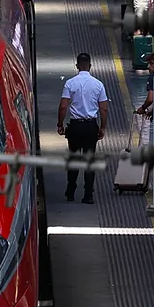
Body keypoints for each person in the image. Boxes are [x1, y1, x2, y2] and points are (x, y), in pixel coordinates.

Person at [57, 52, 108, 204]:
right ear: (90, 66)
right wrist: (102, 127)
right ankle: (88, 195)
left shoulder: (70, 83)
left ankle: (71, 191)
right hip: (91, 126)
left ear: (77, 66)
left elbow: (63, 106)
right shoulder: (98, 84)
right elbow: (104, 109)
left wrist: (60, 124)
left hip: (75, 127)